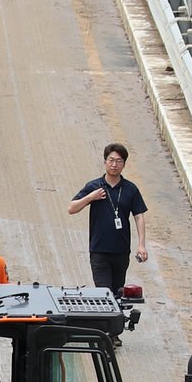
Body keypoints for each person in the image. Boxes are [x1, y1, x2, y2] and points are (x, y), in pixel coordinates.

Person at [67, 144, 148, 341]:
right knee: (104, 292)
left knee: (117, 292)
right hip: (99, 250)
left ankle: (114, 332)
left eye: (118, 161)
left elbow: (139, 216)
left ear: (124, 164)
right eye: (111, 160)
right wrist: (91, 197)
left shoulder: (130, 189)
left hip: (121, 251)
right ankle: (105, 332)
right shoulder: (94, 186)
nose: (114, 164)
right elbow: (71, 208)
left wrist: (141, 245)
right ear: (105, 162)